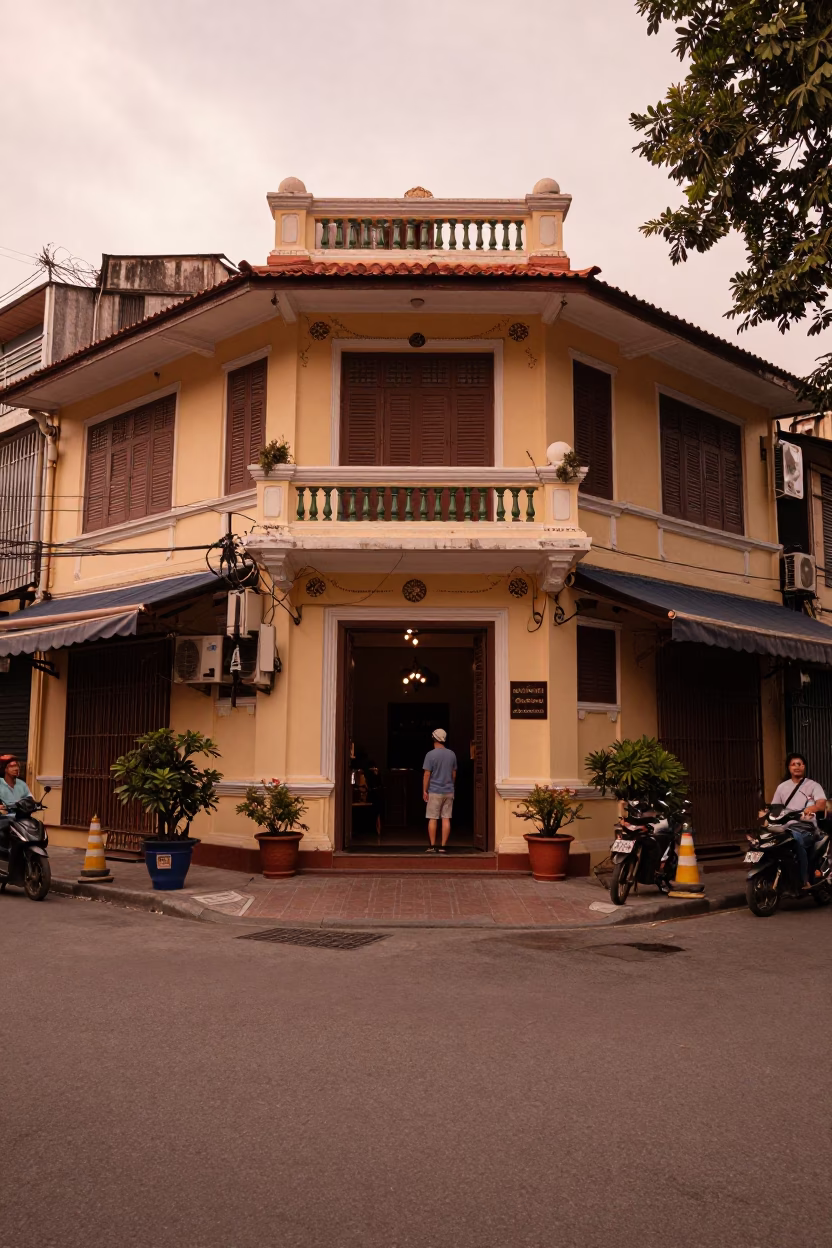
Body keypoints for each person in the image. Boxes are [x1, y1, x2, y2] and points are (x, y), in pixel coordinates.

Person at [767, 752, 826, 890]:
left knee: (795, 840)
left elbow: (822, 803)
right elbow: (775, 808)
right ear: (789, 768)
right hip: (786, 827)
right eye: (793, 764)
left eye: (799, 764)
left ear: (804, 766)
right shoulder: (782, 787)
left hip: (806, 828)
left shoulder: (813, 785)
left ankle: (804, 879)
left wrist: (813, 807)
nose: (796, 767)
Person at [422, 728, 457, 854]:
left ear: (434, 739)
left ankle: (432, 846)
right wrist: (451, 786)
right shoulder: (452, 754)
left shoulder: (430, 755)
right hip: (449, 791)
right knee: (446, 818)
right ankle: (443, 846)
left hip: (435, 791)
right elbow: (454, 773)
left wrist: (424, 790)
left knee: (432, 818)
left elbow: (427, 774)